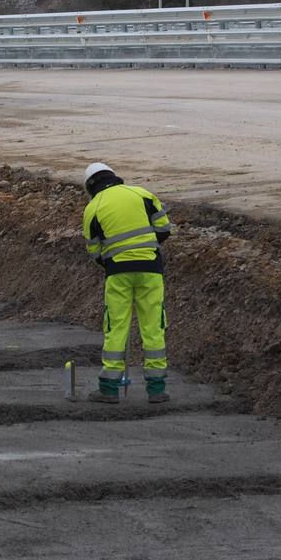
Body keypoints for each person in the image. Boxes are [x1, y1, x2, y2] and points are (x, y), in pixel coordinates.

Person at [80, 162, 174, 404]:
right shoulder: (141, 194)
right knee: (153, 326)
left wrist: (113, 261)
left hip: (118, 274)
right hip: (151, 270)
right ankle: (156, 389)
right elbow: (164, 229)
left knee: (116, 326)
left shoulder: (93, 208)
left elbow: (94, 251)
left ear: (91, 186)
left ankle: (109, 388)